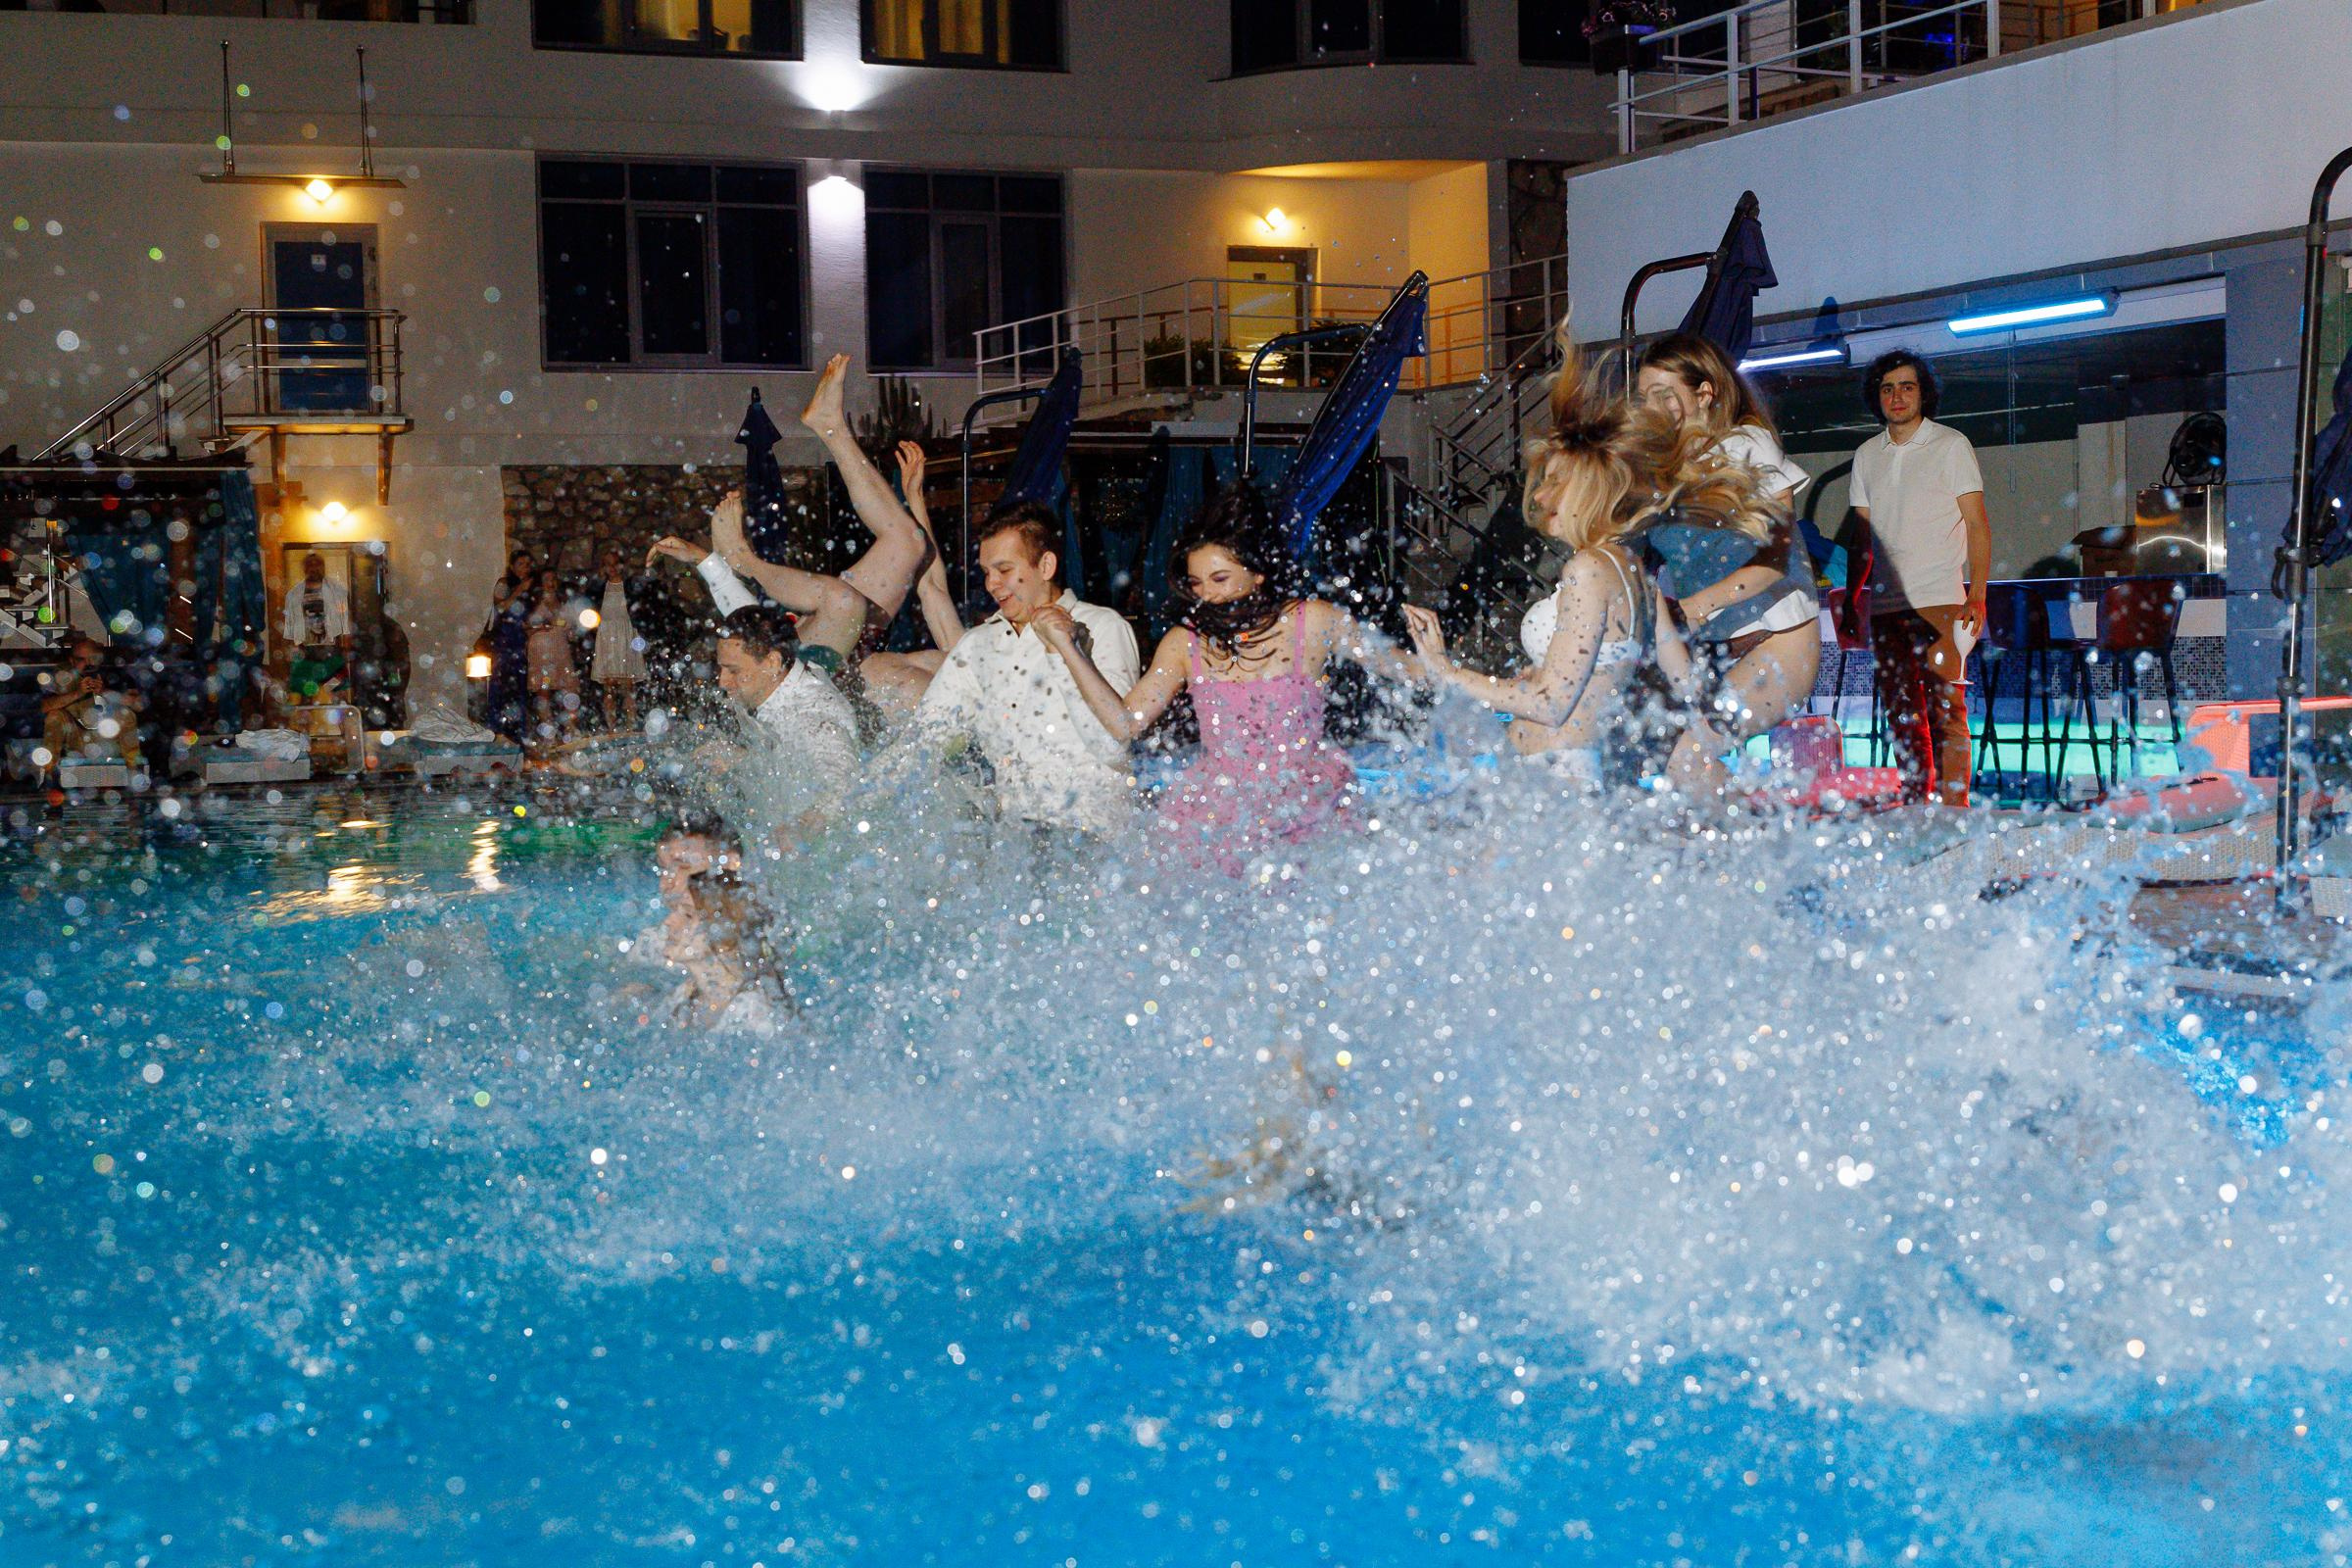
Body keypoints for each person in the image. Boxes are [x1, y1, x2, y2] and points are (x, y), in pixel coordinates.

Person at [1402, 328, 1770, 791]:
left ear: (1593, 488)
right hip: (1568, 778)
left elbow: (1551, 704)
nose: (1541, 495)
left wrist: (1446, 672)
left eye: (1556, 482)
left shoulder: (1590, 569)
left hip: (1552, 782)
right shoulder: (1634, 573)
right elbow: (1684, 685)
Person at [1033, 483, 1418, 874]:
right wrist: (1070, 651)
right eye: (1197, 584)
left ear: (1258, 574)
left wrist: (1442, 668)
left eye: (1219, 579)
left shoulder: (1312, 621)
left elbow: (1402, 669)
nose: (1208, 596)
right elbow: (1124, 723)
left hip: (1304, 802)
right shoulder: (1185, 643)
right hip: (1218, 810)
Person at [1635, 333, 1822, 796]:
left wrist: (1692, 608)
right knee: (1657, 758)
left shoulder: (1747, 444)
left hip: (1779, 641)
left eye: (1664, 395)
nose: (1651, 408)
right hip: (1711, 647)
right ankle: (1754, 829)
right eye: (1643, 398)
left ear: (1704, 393)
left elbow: (1775, 558)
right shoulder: (1661, 468)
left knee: (1688, 759)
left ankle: (1761, 834)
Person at [913, 504, 1141, 835]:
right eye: (986, 572)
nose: (991, 584)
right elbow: (923, 741)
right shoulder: (978, 643)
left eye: (1004, 570)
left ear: (1046, 565)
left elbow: (1113, 746)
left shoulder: (1102, 627)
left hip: (1089, 834)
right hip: (1013, 837)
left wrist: (1062, 650)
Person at [1851, 350, 1991, 807]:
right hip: (1885, 605)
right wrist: (1854, 598)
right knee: (1901, 713)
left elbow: (1977, 525)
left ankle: (1954, 810)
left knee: (1946, 709)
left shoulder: (1951, 445)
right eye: (1887, 388)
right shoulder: (1866, 455)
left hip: (1940, 601)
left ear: (1923, 393)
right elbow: (1862, 537)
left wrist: (1976, 596)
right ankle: (1915, 803)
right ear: (1877, 396)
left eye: (1906, 387)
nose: (1897, 396)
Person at [712, 602, 858, 834]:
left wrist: (801, 829)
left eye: (734, 671)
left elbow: (843, 786)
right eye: (721, 669)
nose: (722, 682)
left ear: (772, 662)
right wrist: (743, 760)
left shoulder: (812, 719)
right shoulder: (775, 693)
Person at [650, 813, 790, 1032]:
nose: (666, 884)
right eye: (663, 869)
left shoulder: (752, 1011)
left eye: (683, 866)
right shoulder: (683, 989)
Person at [38, 635, 142, 779]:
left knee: (126, 714)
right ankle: (48, 775)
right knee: (54, 716)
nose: (88, 663)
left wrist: (104, 692)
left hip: (108, 735)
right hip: (75, 736)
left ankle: (133, 772)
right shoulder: (61, 676)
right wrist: (77, 693)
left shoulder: (114, 674)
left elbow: (138, 704)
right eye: (81, 659)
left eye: (92, 658)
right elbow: (44, 707)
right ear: (72, 661)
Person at [590, 544, 650, 730]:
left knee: (628, 684)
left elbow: (640, 609)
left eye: (615, 563)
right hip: (607, 636)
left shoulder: (630, 585)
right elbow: (589, 604)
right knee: (609, 685)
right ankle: (611, 727)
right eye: (608, 564)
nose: (612, 568)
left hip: (626, 635)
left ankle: (631, 724)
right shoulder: (600, 587)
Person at [281, 550, 352, 702]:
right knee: (304, 702)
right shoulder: (294, 595)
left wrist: (346, 648)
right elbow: (289, 627)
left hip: (333, 658)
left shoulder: (337, 592)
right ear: (304, 568)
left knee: (340, 699)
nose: (314, 568)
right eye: (310, 565)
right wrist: (290, 653)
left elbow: (346, 622)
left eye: (318, 564)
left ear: (323, 567)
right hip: (305, 658)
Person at [524, 566, 580, 745]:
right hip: (540, 648)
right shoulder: (533, 602)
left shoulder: (564, 602)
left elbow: (572, 630)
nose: (551, 583)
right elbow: (526, 627)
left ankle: (570, 730)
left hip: (560, 646)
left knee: (569, 688)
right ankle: (548, 733)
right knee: (544, 690)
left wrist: (569, 629)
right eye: (547, 579)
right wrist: (540, 626)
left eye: (553, 579)